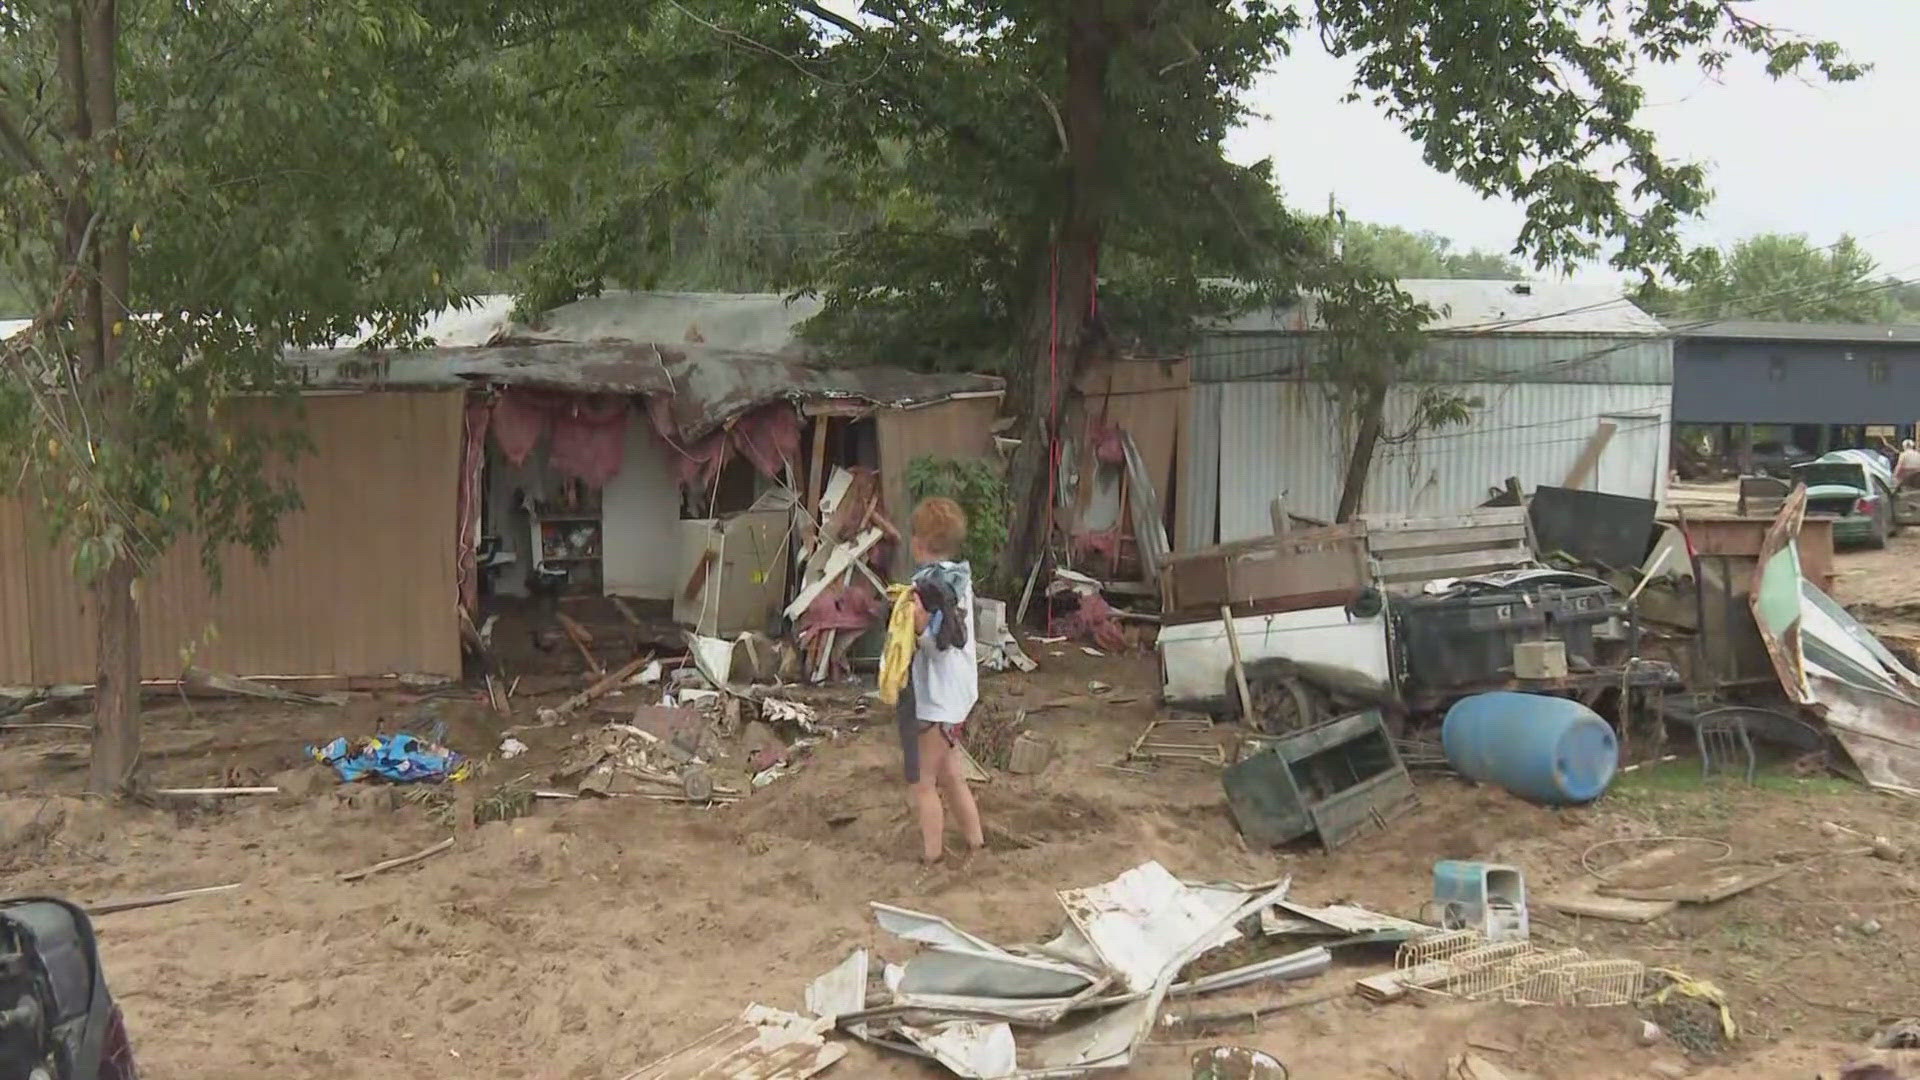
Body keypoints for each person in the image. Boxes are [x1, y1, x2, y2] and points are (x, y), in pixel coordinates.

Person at [897, 496, 986, 867]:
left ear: (917, 543)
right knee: (952, 776)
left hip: (939, 701)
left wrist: (917, 629)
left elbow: (937, 647)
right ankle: (977, 845)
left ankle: (932, 859)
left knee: (922, 782)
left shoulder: (928, 589)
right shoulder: (959, 578)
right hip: (961, 695)